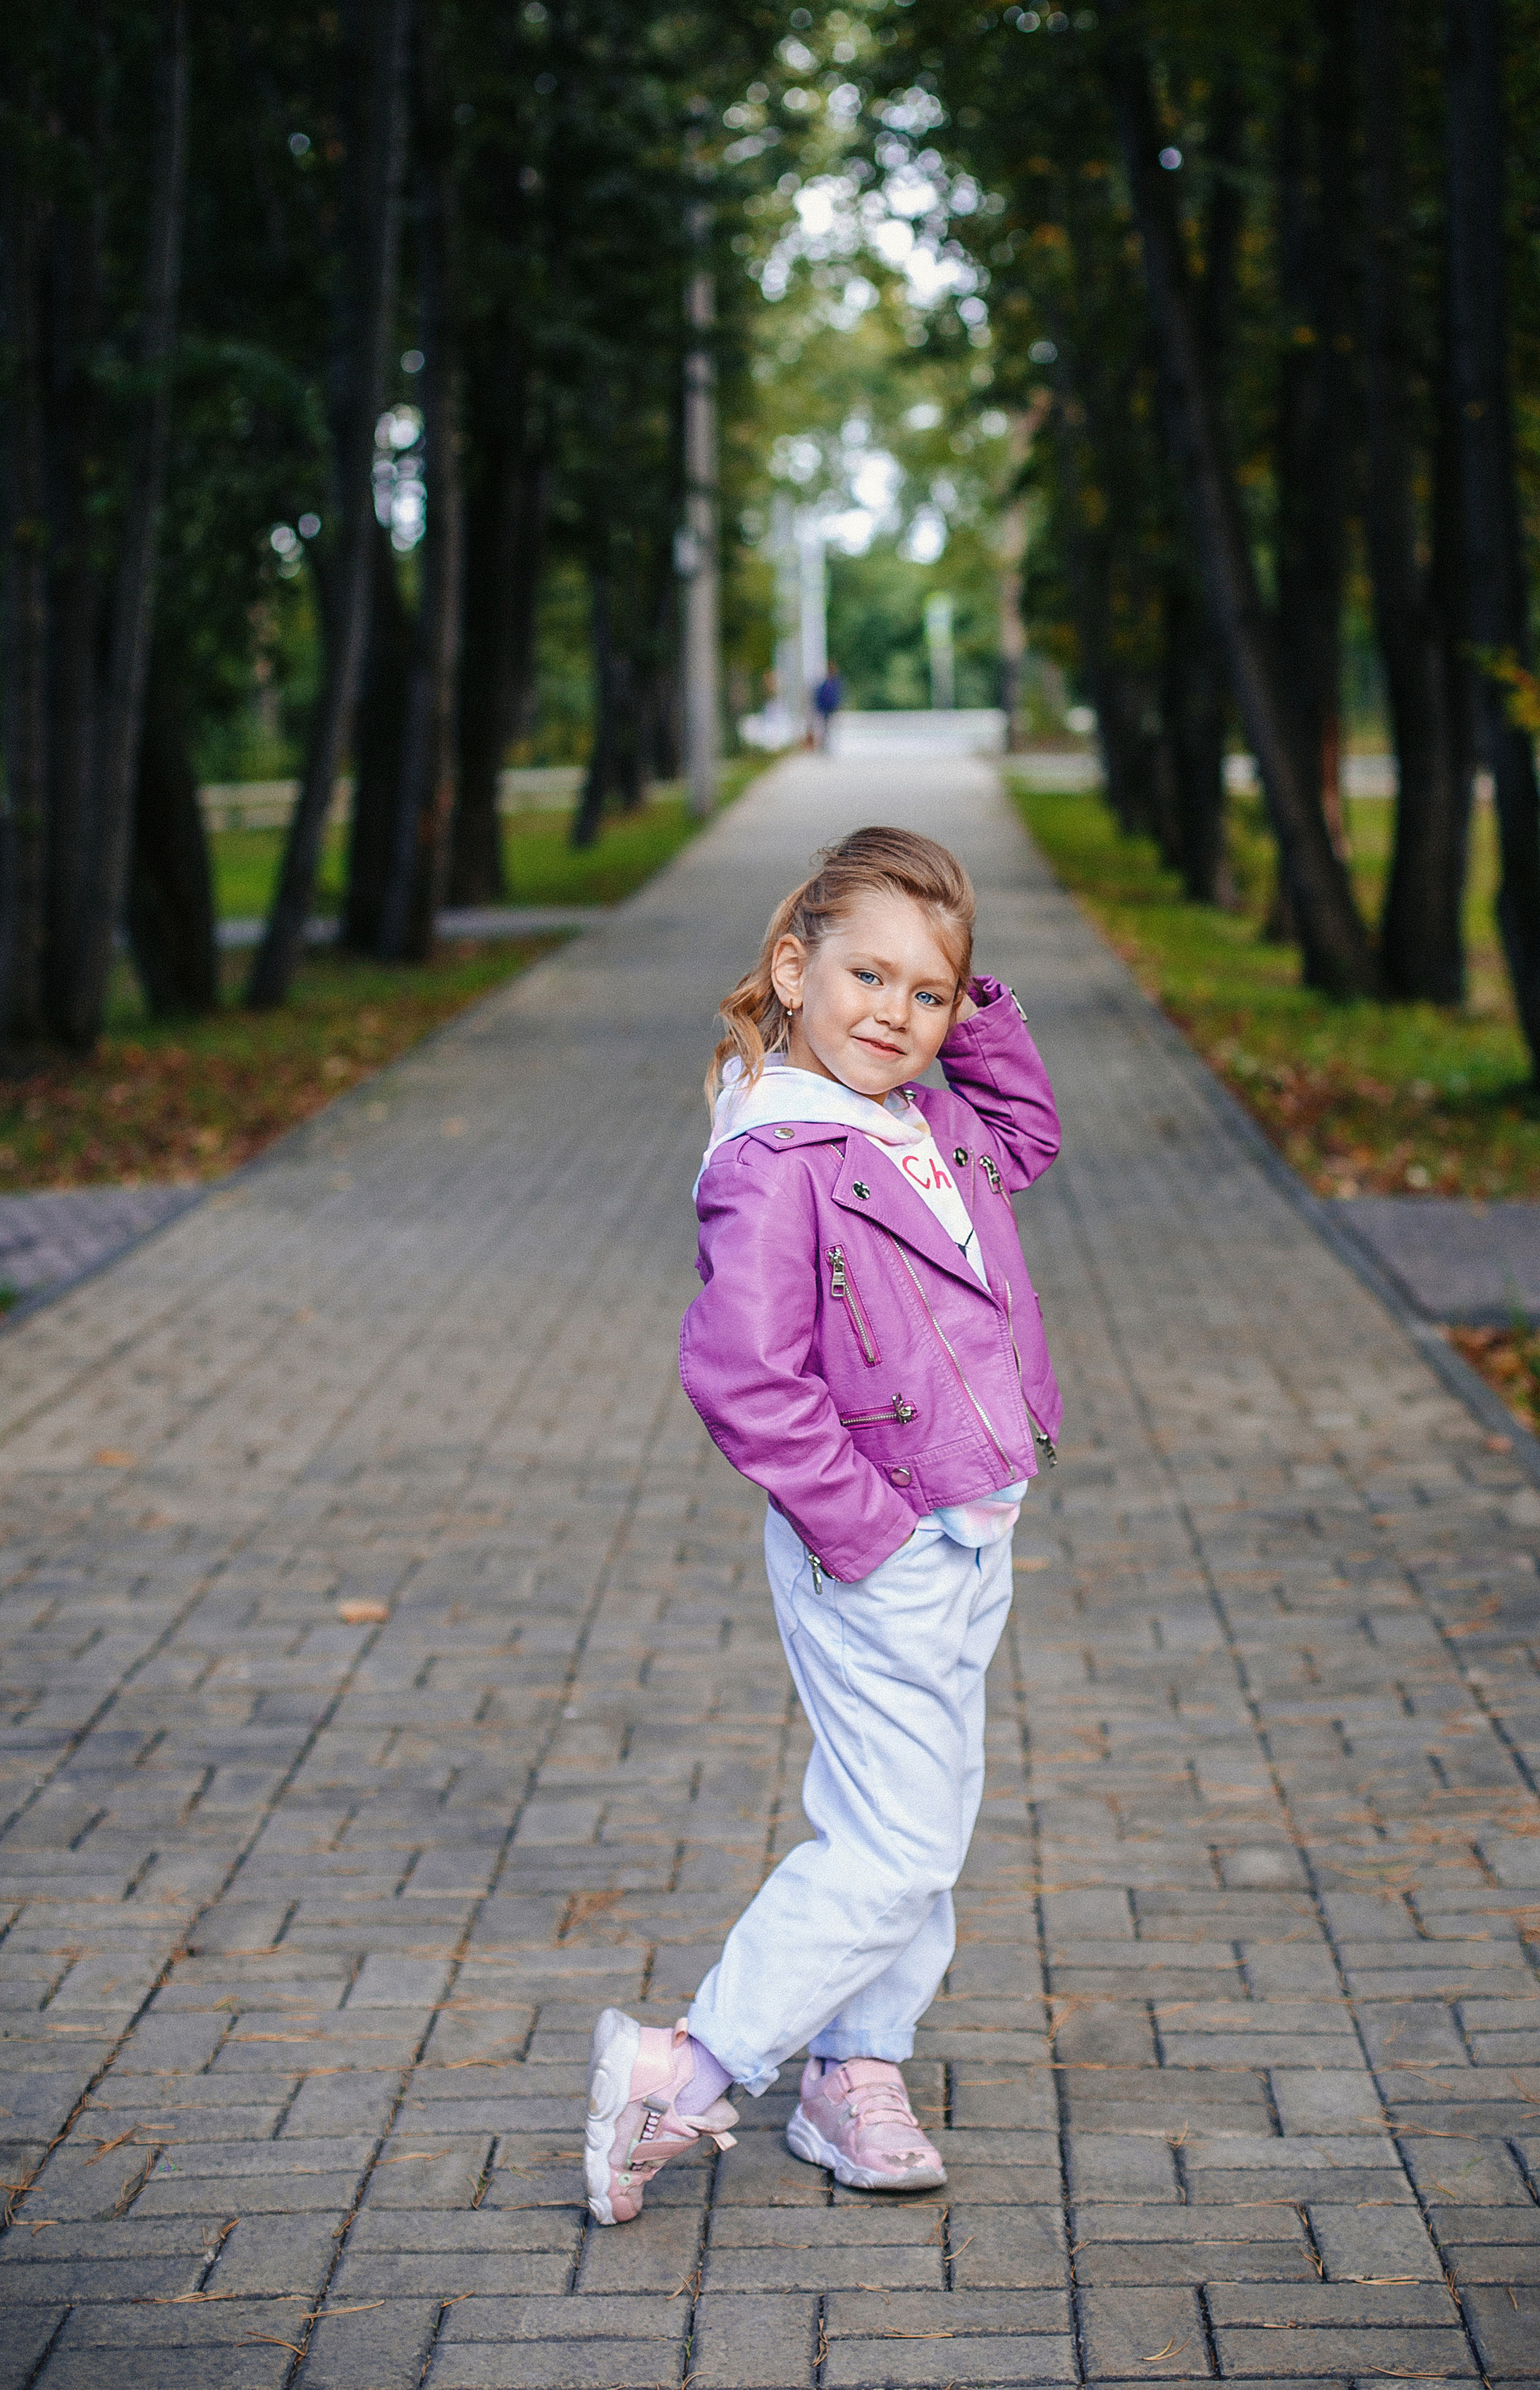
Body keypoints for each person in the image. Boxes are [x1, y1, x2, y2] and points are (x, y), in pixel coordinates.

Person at [584, 825, 1062, 2224]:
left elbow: (1030, 1134)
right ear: (793, 971)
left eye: (928, 993)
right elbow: (743, 1376)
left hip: (972, 1525)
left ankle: (855, 2072)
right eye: (867, 976)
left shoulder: (931, 1116)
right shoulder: (775, 1154)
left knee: (916, 1821)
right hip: (882, 1545)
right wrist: (869, 1530)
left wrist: (971, 999)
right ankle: (681, 2069)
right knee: (897, 1845)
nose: (895, 1014)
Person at [813, 666, 842, 754]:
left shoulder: (833, 683)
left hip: (831, 709)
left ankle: (829, 746)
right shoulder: (829, 684)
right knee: (826, 728)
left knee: (829, 728)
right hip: (827, 709)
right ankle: (826, 746)